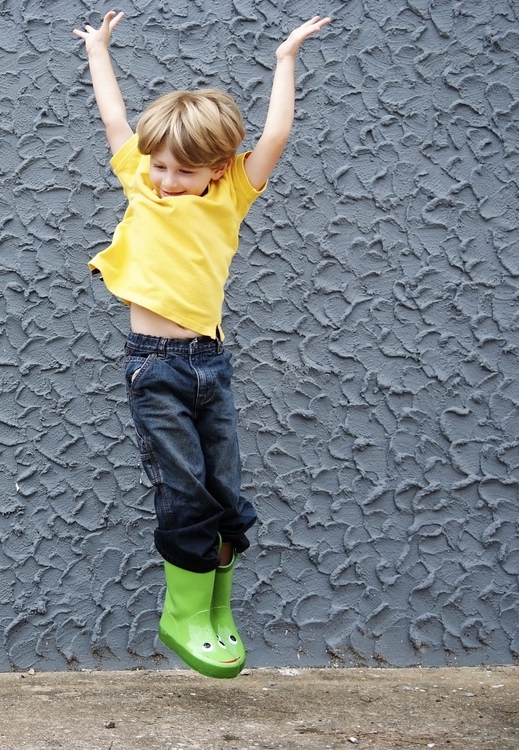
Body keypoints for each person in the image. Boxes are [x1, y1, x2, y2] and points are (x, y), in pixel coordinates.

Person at [73, 11, 331, 678]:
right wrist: (100, 51)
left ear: (218, 168)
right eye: (157, 166)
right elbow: (113, 121)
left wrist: (285, 60)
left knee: (226, 496)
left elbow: (275, 134)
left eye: (181, 172)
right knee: (182, 492)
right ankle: (182, 613)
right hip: (154, 368)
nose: (163, 180)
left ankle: (218, 610)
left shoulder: (230, 195)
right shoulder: (142, 183)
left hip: (209, 365)